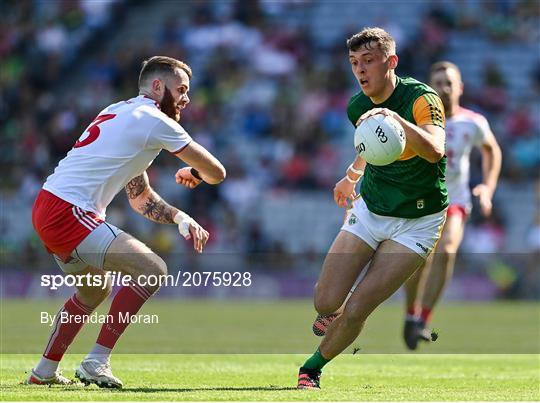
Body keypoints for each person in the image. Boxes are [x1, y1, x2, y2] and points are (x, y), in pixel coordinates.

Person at [27, 56, 226, 388]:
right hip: (68, 210)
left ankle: (43, 372)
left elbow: (139, 197)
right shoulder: (154, 120)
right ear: (157, 86)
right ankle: (96, 362)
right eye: (181, 90)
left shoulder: (121, 110)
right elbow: (216, 172)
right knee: (153, 271)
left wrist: (179, 216)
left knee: (95, 290)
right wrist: (193, 173)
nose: (186, 99)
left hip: (49, 205)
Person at [297, 27, 447, 390]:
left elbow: (435, 149)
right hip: (371, 211)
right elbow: (372, 145)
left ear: (391, 62)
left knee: (360, 306)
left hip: (418, 222)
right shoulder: (356, 106)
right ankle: (336, 315)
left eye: (368, 61)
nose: (360, 70)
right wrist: (351, 176)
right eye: (353, 63)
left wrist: (397, 121)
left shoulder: (421, 99)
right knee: (325, 301)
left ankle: (311, 369)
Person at [402, 61, 502, 349]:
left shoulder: (474, 122)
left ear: (460, 87)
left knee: (446, 251)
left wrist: (487, 187)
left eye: (449, 82)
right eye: (438, 83)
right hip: (420, 201)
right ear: (429, 89)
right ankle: (410, 313)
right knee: (419, 260)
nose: (444, 88)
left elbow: (491, 150)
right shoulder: (417, 120)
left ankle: (423, 319)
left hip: (454, 199)